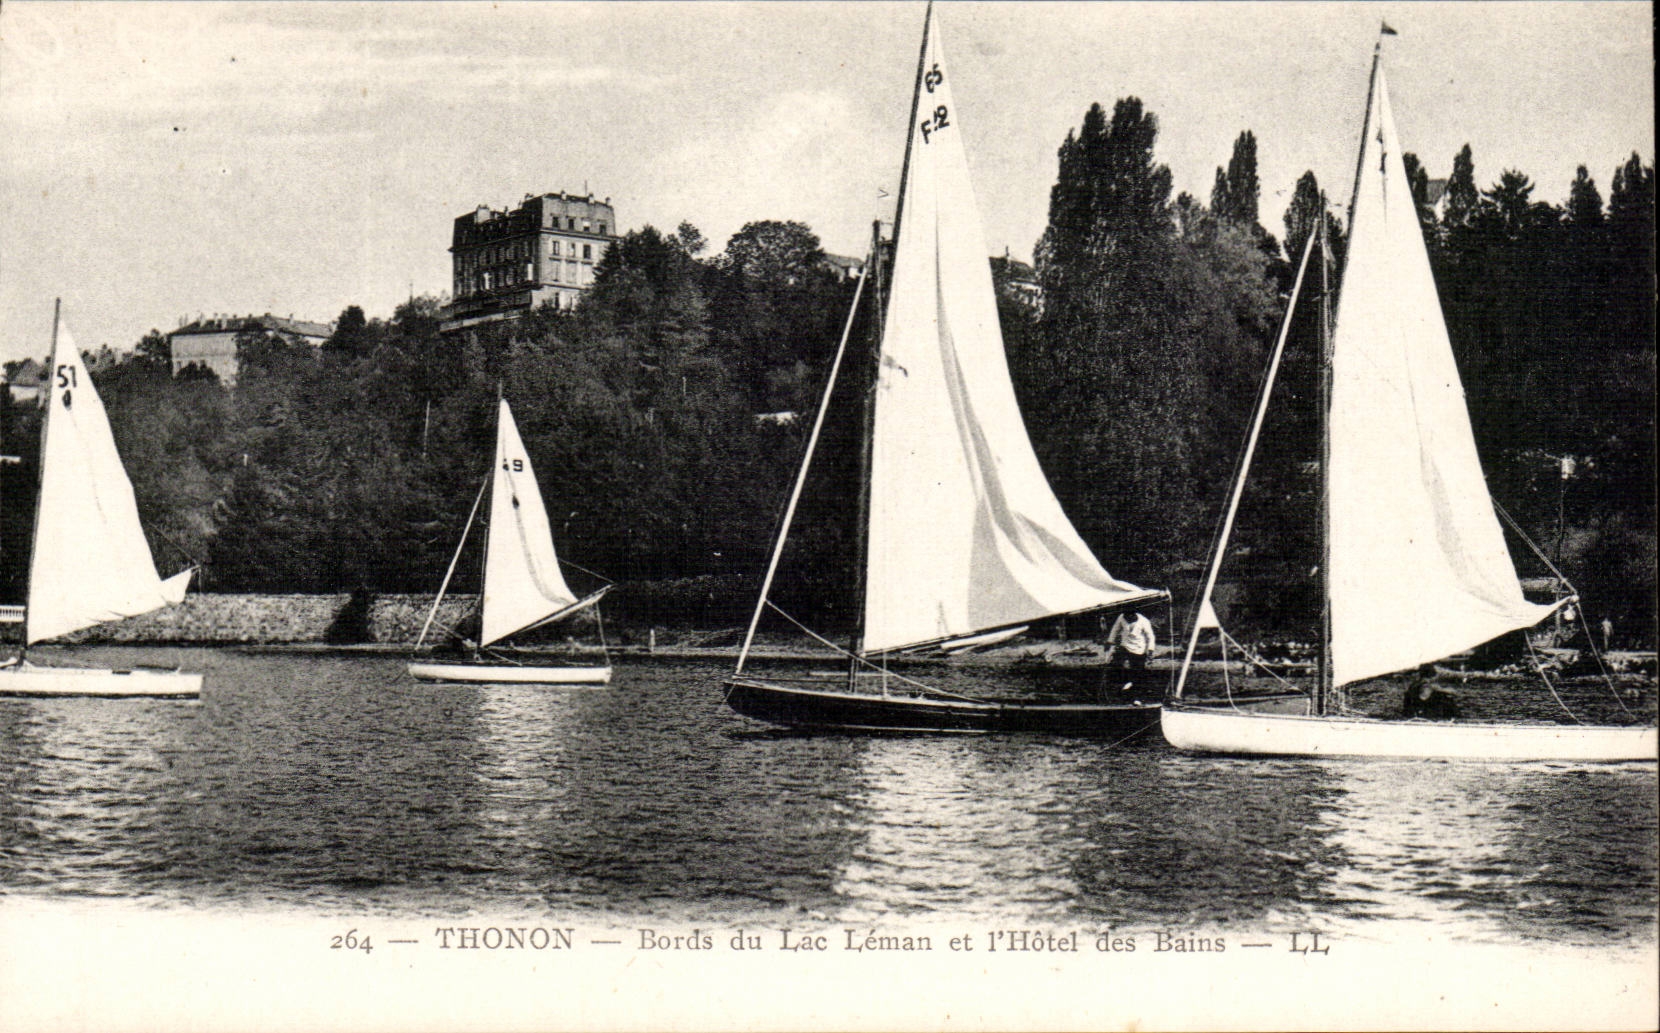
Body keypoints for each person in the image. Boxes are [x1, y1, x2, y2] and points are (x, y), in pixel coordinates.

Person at [1103, 610, 1155, 697]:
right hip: (1125, 645)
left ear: (1134, 616)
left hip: (1138, 648)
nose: (1127, 620)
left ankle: (1137, 693)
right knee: (1116, 663)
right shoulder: (1122, 617)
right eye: (1126, 618)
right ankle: (1119, 685)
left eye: (1129, 619)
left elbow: (1150, 636)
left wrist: (1150, 650)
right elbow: (1115, 629)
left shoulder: (1144, 621)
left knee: (1137, 671)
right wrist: (1109, 642)